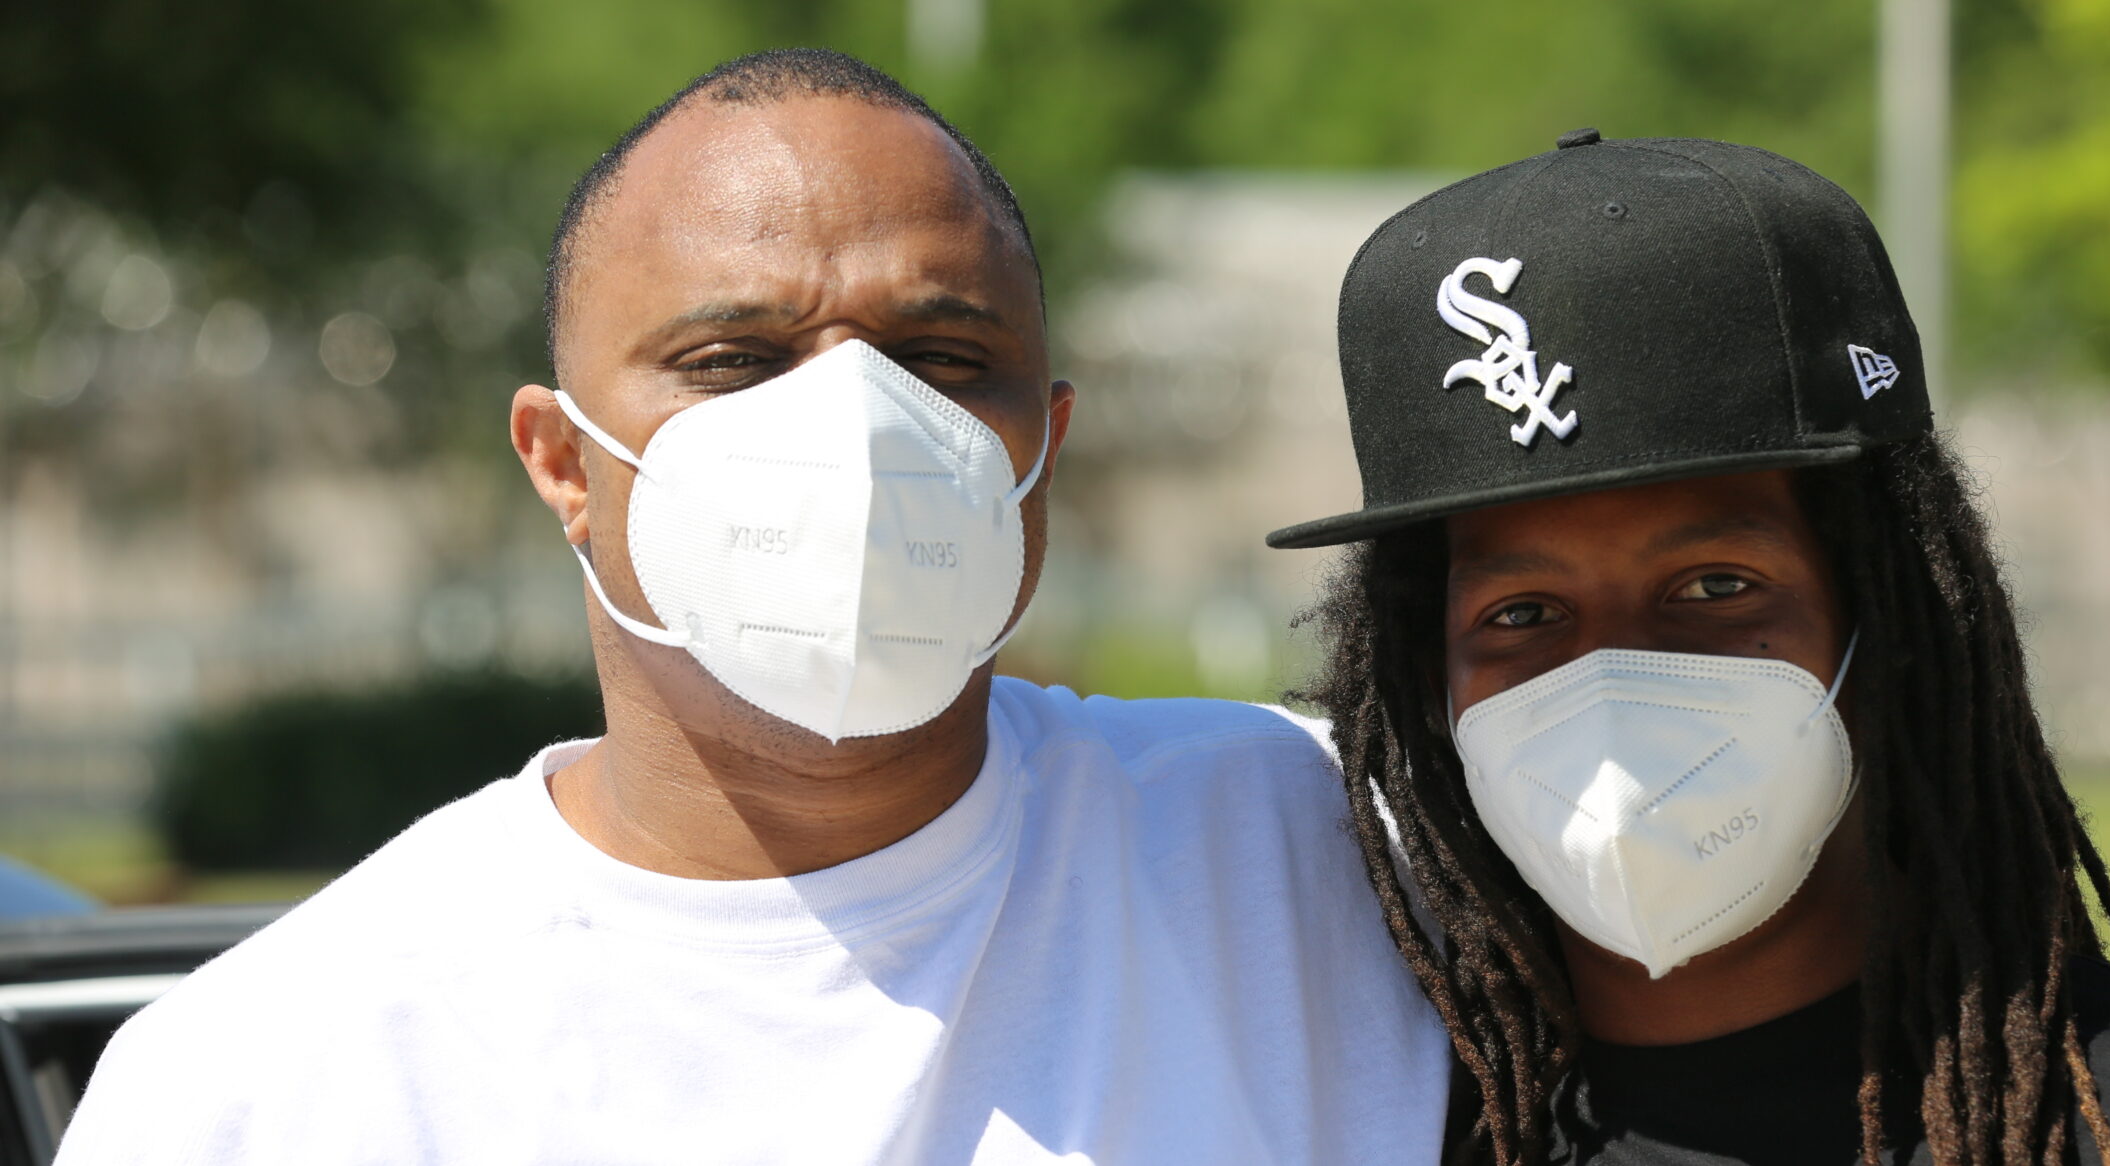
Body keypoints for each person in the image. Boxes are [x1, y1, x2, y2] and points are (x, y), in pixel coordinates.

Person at [58, 49, 1449, 1164]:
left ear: (1044, 446)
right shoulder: (274, 1075)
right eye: (734, 356)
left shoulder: (1330, 863)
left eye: (944, 357)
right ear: (563, 462)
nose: (857, 420)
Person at [1270, 130, 2110, 1166]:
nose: (1607, 680)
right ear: (1428, 680)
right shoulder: (1367, 1134)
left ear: (1896, 620)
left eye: (1713, 586)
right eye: (1521, 613)